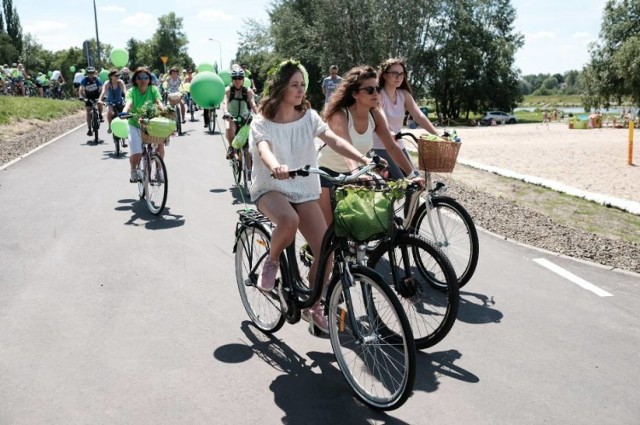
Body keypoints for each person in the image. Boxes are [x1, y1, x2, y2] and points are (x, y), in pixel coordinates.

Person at [249, 60, 374, 331]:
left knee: (326, 252)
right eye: (294, 85)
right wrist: (276, 167)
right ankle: (271, 261)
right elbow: (264, 150)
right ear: (281, 87)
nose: (300, 90)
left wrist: (362, 159)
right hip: (270, 187)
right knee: (288, 221)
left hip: (303, 189)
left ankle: (314, 305)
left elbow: (334, 139)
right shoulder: (262, 122)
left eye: (302, 85)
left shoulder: (308, 117)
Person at [318, 65, 424, 225]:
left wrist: (412, 174)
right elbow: (346, 148)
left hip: (356, 173)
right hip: (326, 173)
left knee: (364, 225)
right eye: (369, 90)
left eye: (377, 89)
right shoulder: (340, 114)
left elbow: (392, 147)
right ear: (354, 93)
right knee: (329, 230)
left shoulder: (375, 114)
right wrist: (357, 173)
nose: (376, 94)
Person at [373, 58, 439, 179]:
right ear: (384, 75)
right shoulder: (378, 95)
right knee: (400, 181)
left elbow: (418, 115)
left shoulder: (404, 94)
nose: (399, 77)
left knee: (414, 179)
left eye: (402, 74)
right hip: (379, 146)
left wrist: (437, 134)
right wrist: (389, 132)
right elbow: (379, 117)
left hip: (398, 145)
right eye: (395, 73)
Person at [122, 67, 165, 183]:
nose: (143, 80)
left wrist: (164, 110)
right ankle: (133, 170)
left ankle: (159, 171)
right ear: (135, 80)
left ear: (149, 79)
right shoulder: (132, 91)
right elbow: (129, 103)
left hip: (152, 123)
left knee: (160, 146)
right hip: (135, 124)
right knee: (137, 154)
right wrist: (125, 111)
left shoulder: (153, 89)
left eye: (146, 77)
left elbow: (158, 102)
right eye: (140, 77)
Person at [221, 67, 258, 159]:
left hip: (244, 117)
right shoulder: (228, 90)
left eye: (240, 78)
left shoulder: (248, 91)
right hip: (231, 116)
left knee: (248, 146)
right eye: (235, 78)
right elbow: (225, 103)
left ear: (243, 79)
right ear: (231, 79)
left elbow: (253, 105)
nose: (237, 80)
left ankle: (249, 171)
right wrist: (226, 112)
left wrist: (259, 115)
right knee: (229, 128)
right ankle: (231, 148)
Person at [98, 70, 127, 142]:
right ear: (111, 76)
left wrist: (128, 98)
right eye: (116, 76)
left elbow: (124, 91)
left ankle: (124, 132)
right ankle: (110, 126)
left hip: (120, 101)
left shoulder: (120, 82)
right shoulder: (107, 83)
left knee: (124, 115)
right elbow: (103, 92)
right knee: (109, 112)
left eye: (118, 76)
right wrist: (99, 100)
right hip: (110, 102)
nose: (117, 77)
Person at [78, 67, 104, 136]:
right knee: (88, 112)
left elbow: (101, 88)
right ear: (87, 73)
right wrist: (80, 95)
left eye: (92, 73)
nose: (91, 75)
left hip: (96, 95)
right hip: (88, 97)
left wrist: (102, 96)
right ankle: (89, 129)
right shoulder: (85, 80)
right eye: (89, 73)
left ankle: (100, 115)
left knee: (100, 104)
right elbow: (81, 88)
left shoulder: (97, 79)